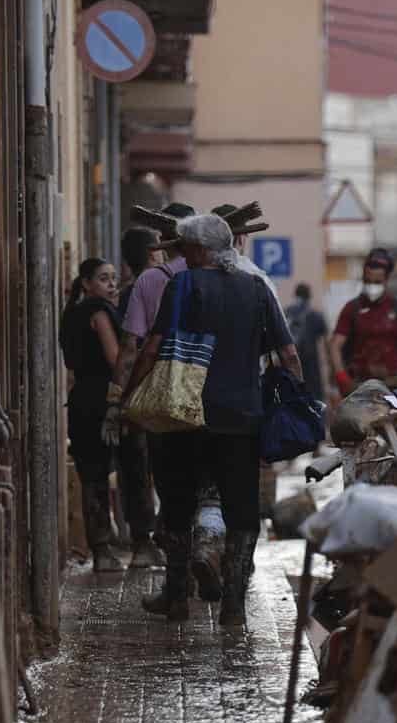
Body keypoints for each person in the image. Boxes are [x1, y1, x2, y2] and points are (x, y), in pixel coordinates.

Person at [112, 213, 301, 628]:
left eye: (186, 246)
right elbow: (287, 354)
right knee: (241, 511)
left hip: (184, 415)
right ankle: (233, 605)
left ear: (199, 250)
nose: (183, 253)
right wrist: (292, 400)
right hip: (241, 418)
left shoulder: (183, 284)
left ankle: (177, 597)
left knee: (178, 506)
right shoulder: (255, 288)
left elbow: (151, 349)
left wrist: (127, 399)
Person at [58, 258, 152, 573]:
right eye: (103, 279)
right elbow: (116, 358)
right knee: (134, 471)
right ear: (86, 283)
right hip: (111, 400)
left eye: (113, 278)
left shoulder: (70, 313)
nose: (111, 285)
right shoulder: (99, 311)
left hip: (82, 400)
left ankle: (101, 553)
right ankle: (141, 546)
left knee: (92, 477)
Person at [330, 248, 397, 392]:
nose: (372, 285)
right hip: (360, 386)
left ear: (386, 280)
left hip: (395, 383)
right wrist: (342, 377)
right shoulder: (352, 309)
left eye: (377, 282)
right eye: (368, 281)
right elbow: (335, 346)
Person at [285, 282, 335, 402]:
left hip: (289, 361)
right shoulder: (316, 315)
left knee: (292, 395)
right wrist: (331, 366)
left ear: (295, 295)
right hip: (311, 364)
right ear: (309, 296)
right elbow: (327, 342)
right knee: (314, 398)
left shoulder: (286, 313)